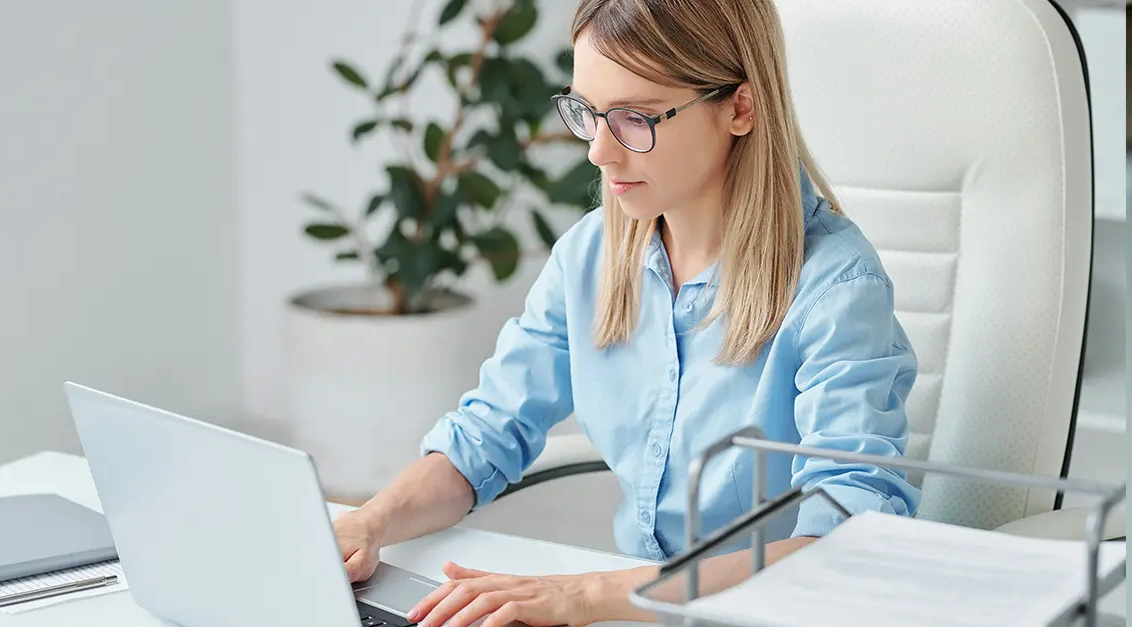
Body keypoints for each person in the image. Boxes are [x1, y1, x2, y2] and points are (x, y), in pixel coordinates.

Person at [332, 0, 921, 624]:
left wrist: (586, 596)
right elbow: (485, 436)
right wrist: (368, 524)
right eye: (588, 114)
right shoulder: (591, 255)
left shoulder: (835, 286)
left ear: (740, 107)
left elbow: (845, 543)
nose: (599, 154)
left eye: (636, 119)